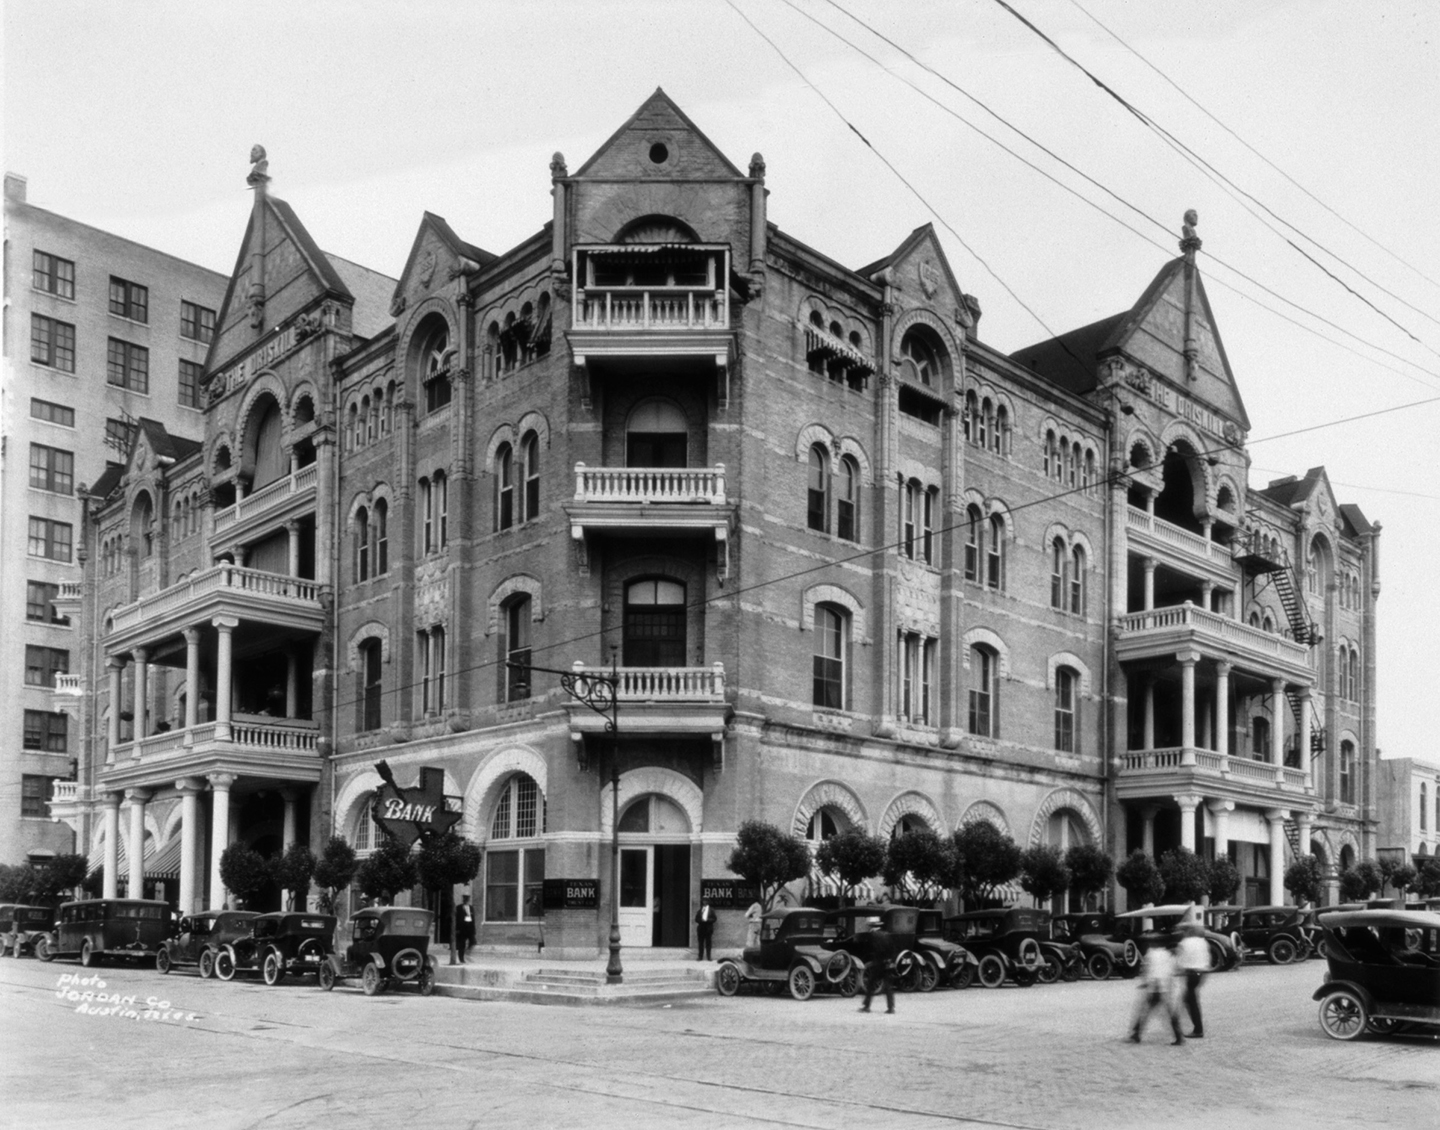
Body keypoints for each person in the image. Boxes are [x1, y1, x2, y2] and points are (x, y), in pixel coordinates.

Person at [1129, 935, 1183, 1045]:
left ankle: (1136, 1034)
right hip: (1166, 986)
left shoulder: (1150, 954)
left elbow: (1147, 970)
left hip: (1155, 986)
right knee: (1171, 1012)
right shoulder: (1168, 955)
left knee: (1145, 1010)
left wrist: (1145, 982)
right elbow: (1172, 970)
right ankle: (1179, 1036)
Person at [1175, 920, 1211, 1038]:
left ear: (1186, 931)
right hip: (1201, 973)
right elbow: (1207, 958)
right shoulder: (1202, 942)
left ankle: (1198, 1029)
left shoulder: (1184, 943)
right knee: (1190, 998)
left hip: (1191, 973)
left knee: (1191, 1001)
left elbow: (1180, 962)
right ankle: (1195, 1026)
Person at [859, 921, 896, 1015]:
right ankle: (891, 1007)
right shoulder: (887, 935)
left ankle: (866, 1006)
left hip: (879, 963)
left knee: (871, 984)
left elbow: (874, 949)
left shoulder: (874, 936)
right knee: (888, 986)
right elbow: (892, 948)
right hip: (887, 963)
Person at [454, 893, 476, 964]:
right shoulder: (459, 908)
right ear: (463, 899)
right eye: (464, 898)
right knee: (461, 945)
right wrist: (457, 929)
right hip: (462, 928)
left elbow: (473, 919)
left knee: (473, 942)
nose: (466, 900)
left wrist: (473, 929)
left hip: (469, 928)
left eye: (467, 898)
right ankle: (461, 959)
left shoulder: (471, 907)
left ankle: (467, 954)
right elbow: (456, 919)